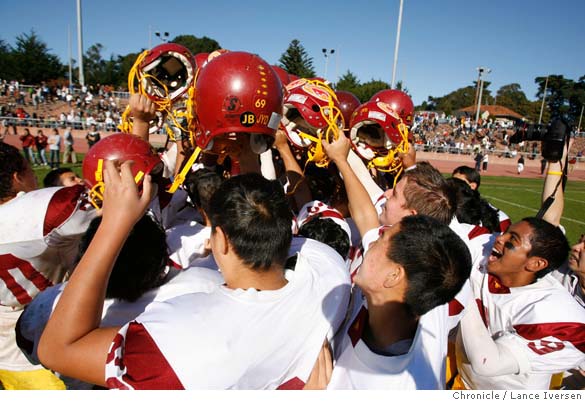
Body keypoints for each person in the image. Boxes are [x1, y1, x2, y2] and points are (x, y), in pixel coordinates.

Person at [38, 169, 351, 389]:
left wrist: (114, 223)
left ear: (221, 241)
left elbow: (57, 350)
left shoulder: (184, 335)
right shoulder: (326, 265)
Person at [302, 134, 471, 389]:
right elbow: (368, 221)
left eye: (380, 243)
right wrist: (342, 160)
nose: (371, 243)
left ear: (393, 276)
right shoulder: (423, 277)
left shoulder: (390, 386)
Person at [0, 142, 97, 389]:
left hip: (6, 349)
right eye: (30, 172)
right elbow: (120, 200)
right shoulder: (42, 211)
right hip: (51, 335)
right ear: (17, 178)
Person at [455, 218, 585, 390]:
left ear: (535, 263)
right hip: (462, 380)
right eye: (506, 231)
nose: (500, 238)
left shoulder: (563, 318)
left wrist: (460, 285)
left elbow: (487, 362)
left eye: (513, 238)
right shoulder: (484, 248)